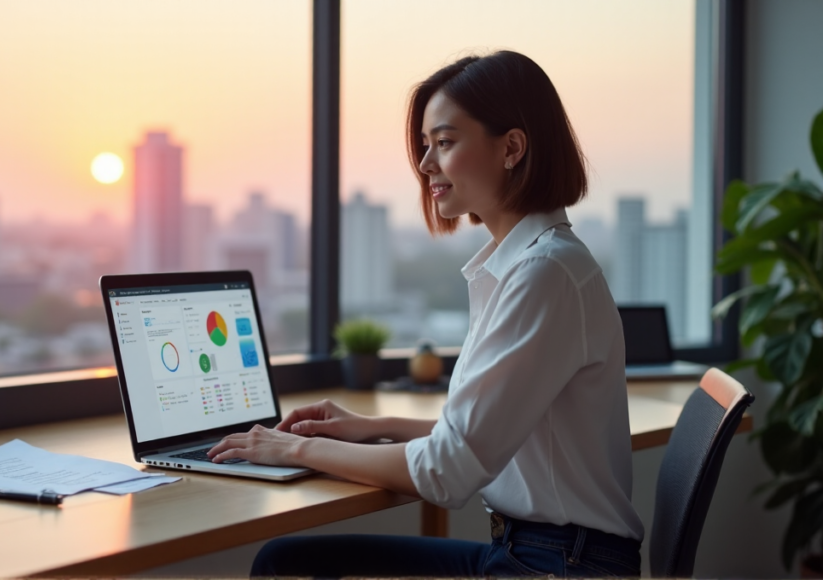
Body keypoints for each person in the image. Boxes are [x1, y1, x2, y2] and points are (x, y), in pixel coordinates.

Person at [207, 50, 644, 578]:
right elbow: (476, 436)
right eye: (424, 146)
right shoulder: (532, 266)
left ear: (511, 148)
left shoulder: (544, 275)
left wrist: (295, 448)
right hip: (543, 554)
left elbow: (447, 472)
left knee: (287, 566)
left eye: (444, 142)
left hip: (555, 566)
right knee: (285, 561)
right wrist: (369, 428)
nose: (425, 164)